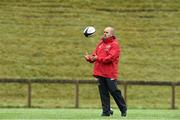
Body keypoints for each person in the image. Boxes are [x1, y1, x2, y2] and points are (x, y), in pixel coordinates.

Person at [84, 27, 127, 117]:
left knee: (114, 91)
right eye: (104, 32)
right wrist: (89, 58)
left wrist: (97, 58)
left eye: (106, 32)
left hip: (110, 73)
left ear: (111, 34)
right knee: (103, 93)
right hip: (100, 72)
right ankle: (106, 112)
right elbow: (95, 56)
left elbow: (111, 58)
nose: (104, 33)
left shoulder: (114, 45)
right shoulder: (100, 44)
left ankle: (123, 109)